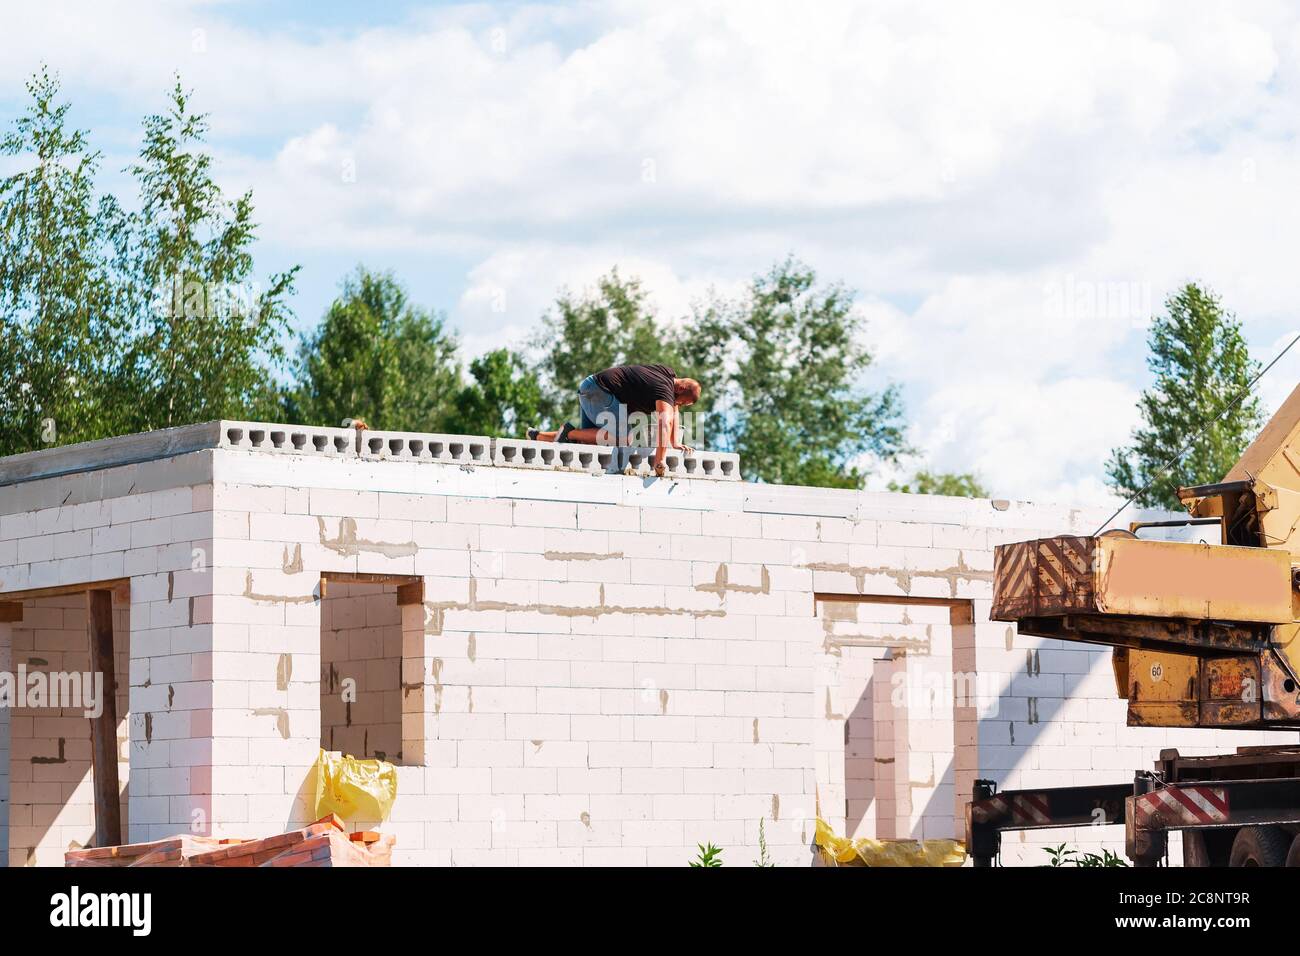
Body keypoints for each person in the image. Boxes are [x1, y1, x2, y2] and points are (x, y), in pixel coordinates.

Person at [529, 363, 701, 476]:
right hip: (600, 393)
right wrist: (660, 460)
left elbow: (674, 412)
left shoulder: (667, 374)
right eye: (682, 402)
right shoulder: (664, 389)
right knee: (626, 438)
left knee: (590, 442)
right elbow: (665, 421)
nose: (677, 405)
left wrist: (675, 441)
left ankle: (539, 436)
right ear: (680, 389)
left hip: (591, 388)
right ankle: (570, 432)